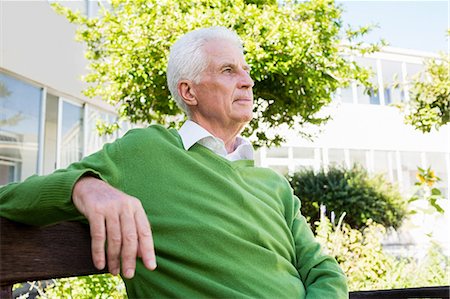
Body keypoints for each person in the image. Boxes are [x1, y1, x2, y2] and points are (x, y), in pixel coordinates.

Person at [0, 26, 348, 298]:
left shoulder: (273, 184)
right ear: (189, 91)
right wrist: (84, 186)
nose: (247, 80)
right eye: (229, 70)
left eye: (245, 69)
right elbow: (11, 199)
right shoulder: (145, 151)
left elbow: (321, 269)